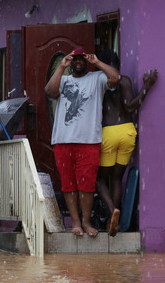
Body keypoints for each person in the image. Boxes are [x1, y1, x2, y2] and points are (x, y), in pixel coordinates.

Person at [45, 48, 119, 237]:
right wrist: (62, 66)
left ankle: (86, 222)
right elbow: (50, 91)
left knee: (87, 184)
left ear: (86, 60)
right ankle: (75, 223)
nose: (78, 61)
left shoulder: (97, 78)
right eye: (74, 58)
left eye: (81, 58)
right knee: (68, 184)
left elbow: (115, 78)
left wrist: (97, 62)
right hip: (63, 140)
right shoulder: (64, 80)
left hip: (89, 141)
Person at [95, 52, 157, 236]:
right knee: (116, 178)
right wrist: (147, 85)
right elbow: (130, 107)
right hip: (128, 132)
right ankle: (116, 220)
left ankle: (113, 209)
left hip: (108, 133)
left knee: (100, 179)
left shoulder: (98, 83)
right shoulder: (124, 80)